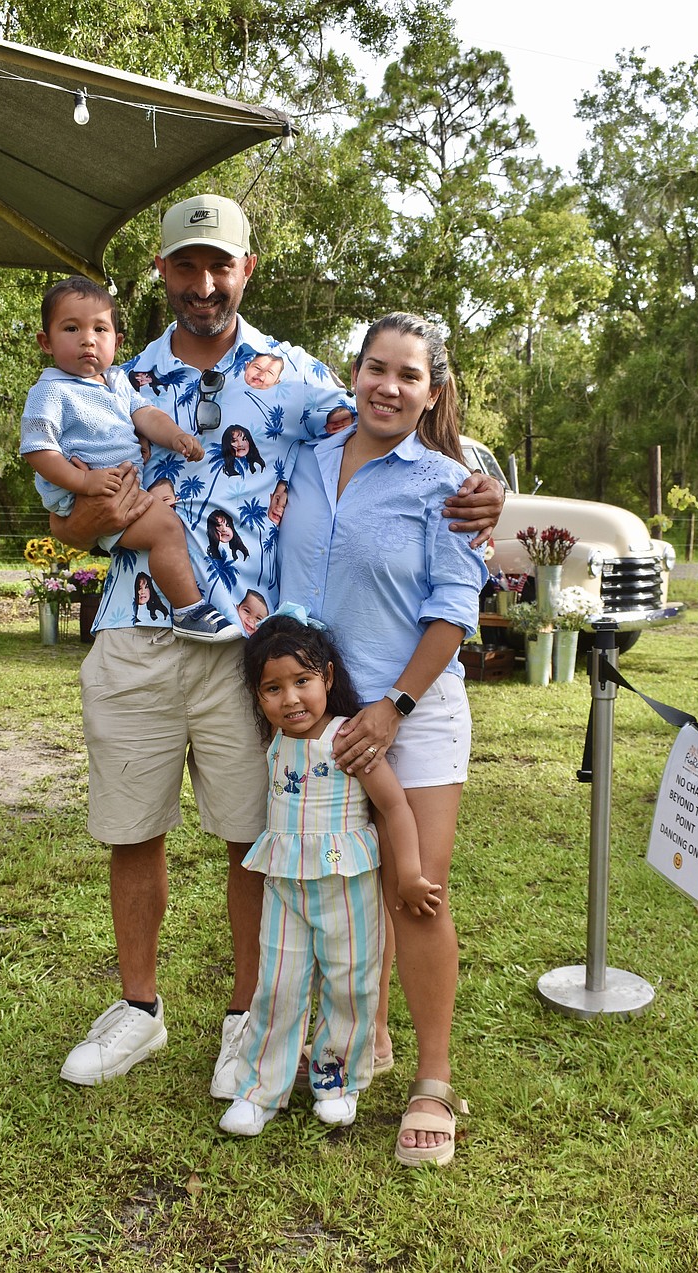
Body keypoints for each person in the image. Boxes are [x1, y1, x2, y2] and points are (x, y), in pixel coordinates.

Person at [50, 194, 504, 1097]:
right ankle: (137, 1008)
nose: (204, 283)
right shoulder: (113, 379)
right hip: (133, 631)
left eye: (220, 265)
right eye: (186, 265)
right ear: (162, 271)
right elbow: (65, 522)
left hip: (248, 652)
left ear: (246, 270)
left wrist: (489, 487)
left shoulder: (295, 375)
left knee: (252, 835)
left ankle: (247, 1018)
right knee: (133, 829)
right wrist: (113, 515)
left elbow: (399, 432)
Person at [277, 312, 486, 1167]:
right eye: (375, 368)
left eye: (409, 375)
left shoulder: (450, 484)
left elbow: (454, 612)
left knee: (415, 889)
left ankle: (433, 1080)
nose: (388, 386)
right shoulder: (305, 459)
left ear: (432, 392)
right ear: (353, 373)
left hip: (414, 710)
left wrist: (393, 707)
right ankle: (364, 1037)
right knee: (342, 886)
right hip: (323, 721)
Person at [218, 609, 440, 1137]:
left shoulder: (348, 739)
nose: (290, 699)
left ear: (328, 678)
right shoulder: (276, 743)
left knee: (350, 985)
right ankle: (259, 1090)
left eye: (302, 681)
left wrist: (409, 873)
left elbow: (395, 807)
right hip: (285, 888)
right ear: (257, 696)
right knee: (277, 986)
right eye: (272, 688)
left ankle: (336, 1082)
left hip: (348, 890)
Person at [20, 277, 237, 643]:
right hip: (86, 493)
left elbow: (146, 415)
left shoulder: (117, 381)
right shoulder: (51, 390)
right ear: (46, 342)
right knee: (166, 528)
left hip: (119, 491)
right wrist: (84, 483)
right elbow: (37, 449)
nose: (87, 339)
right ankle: (188, 610)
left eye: (99, 329)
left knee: (165, 520)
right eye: (71, 328)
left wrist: (175, 436)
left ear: (117, 342)